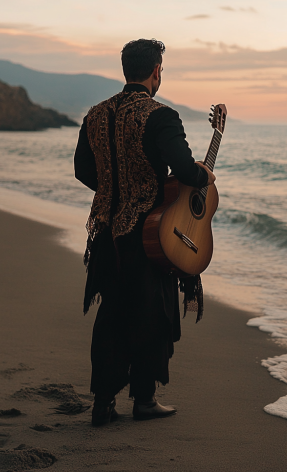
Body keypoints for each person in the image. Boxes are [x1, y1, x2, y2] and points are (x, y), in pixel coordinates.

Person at [74, 39, 215, 425]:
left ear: (126, 69)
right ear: (156, 71)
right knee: (152, 313)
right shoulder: (161, 116)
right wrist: (204, 173)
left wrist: (112, 193)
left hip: (105, 233)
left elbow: (83, 171)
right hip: (146, 233)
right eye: (161, 70)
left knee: (112, 313)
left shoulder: (96, 115)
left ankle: (103, 402)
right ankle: (144, 400)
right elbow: (185, 171)